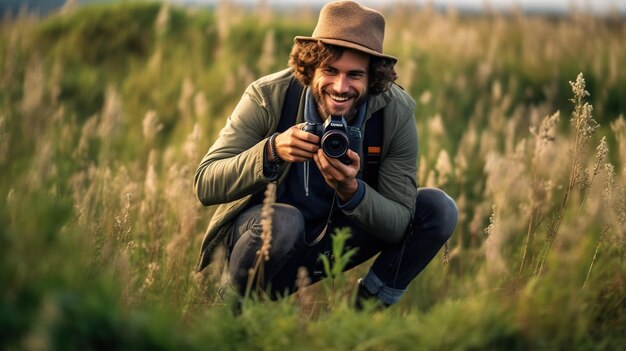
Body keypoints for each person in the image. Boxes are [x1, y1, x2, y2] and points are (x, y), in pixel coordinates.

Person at [194, 0, 457, 309]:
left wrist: (353, 192)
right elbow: (205, 183)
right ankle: (229, 314)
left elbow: (400, 222)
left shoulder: (394, 113)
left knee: (438, 209)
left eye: (355, 75)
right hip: (263, 242)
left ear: (373, 78)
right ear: (310, 66)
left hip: (333, 245)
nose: (341, 86)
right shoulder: (268, 96)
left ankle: (365, 313)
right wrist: (271, 151)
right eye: (330, 70)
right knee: (285, 221)